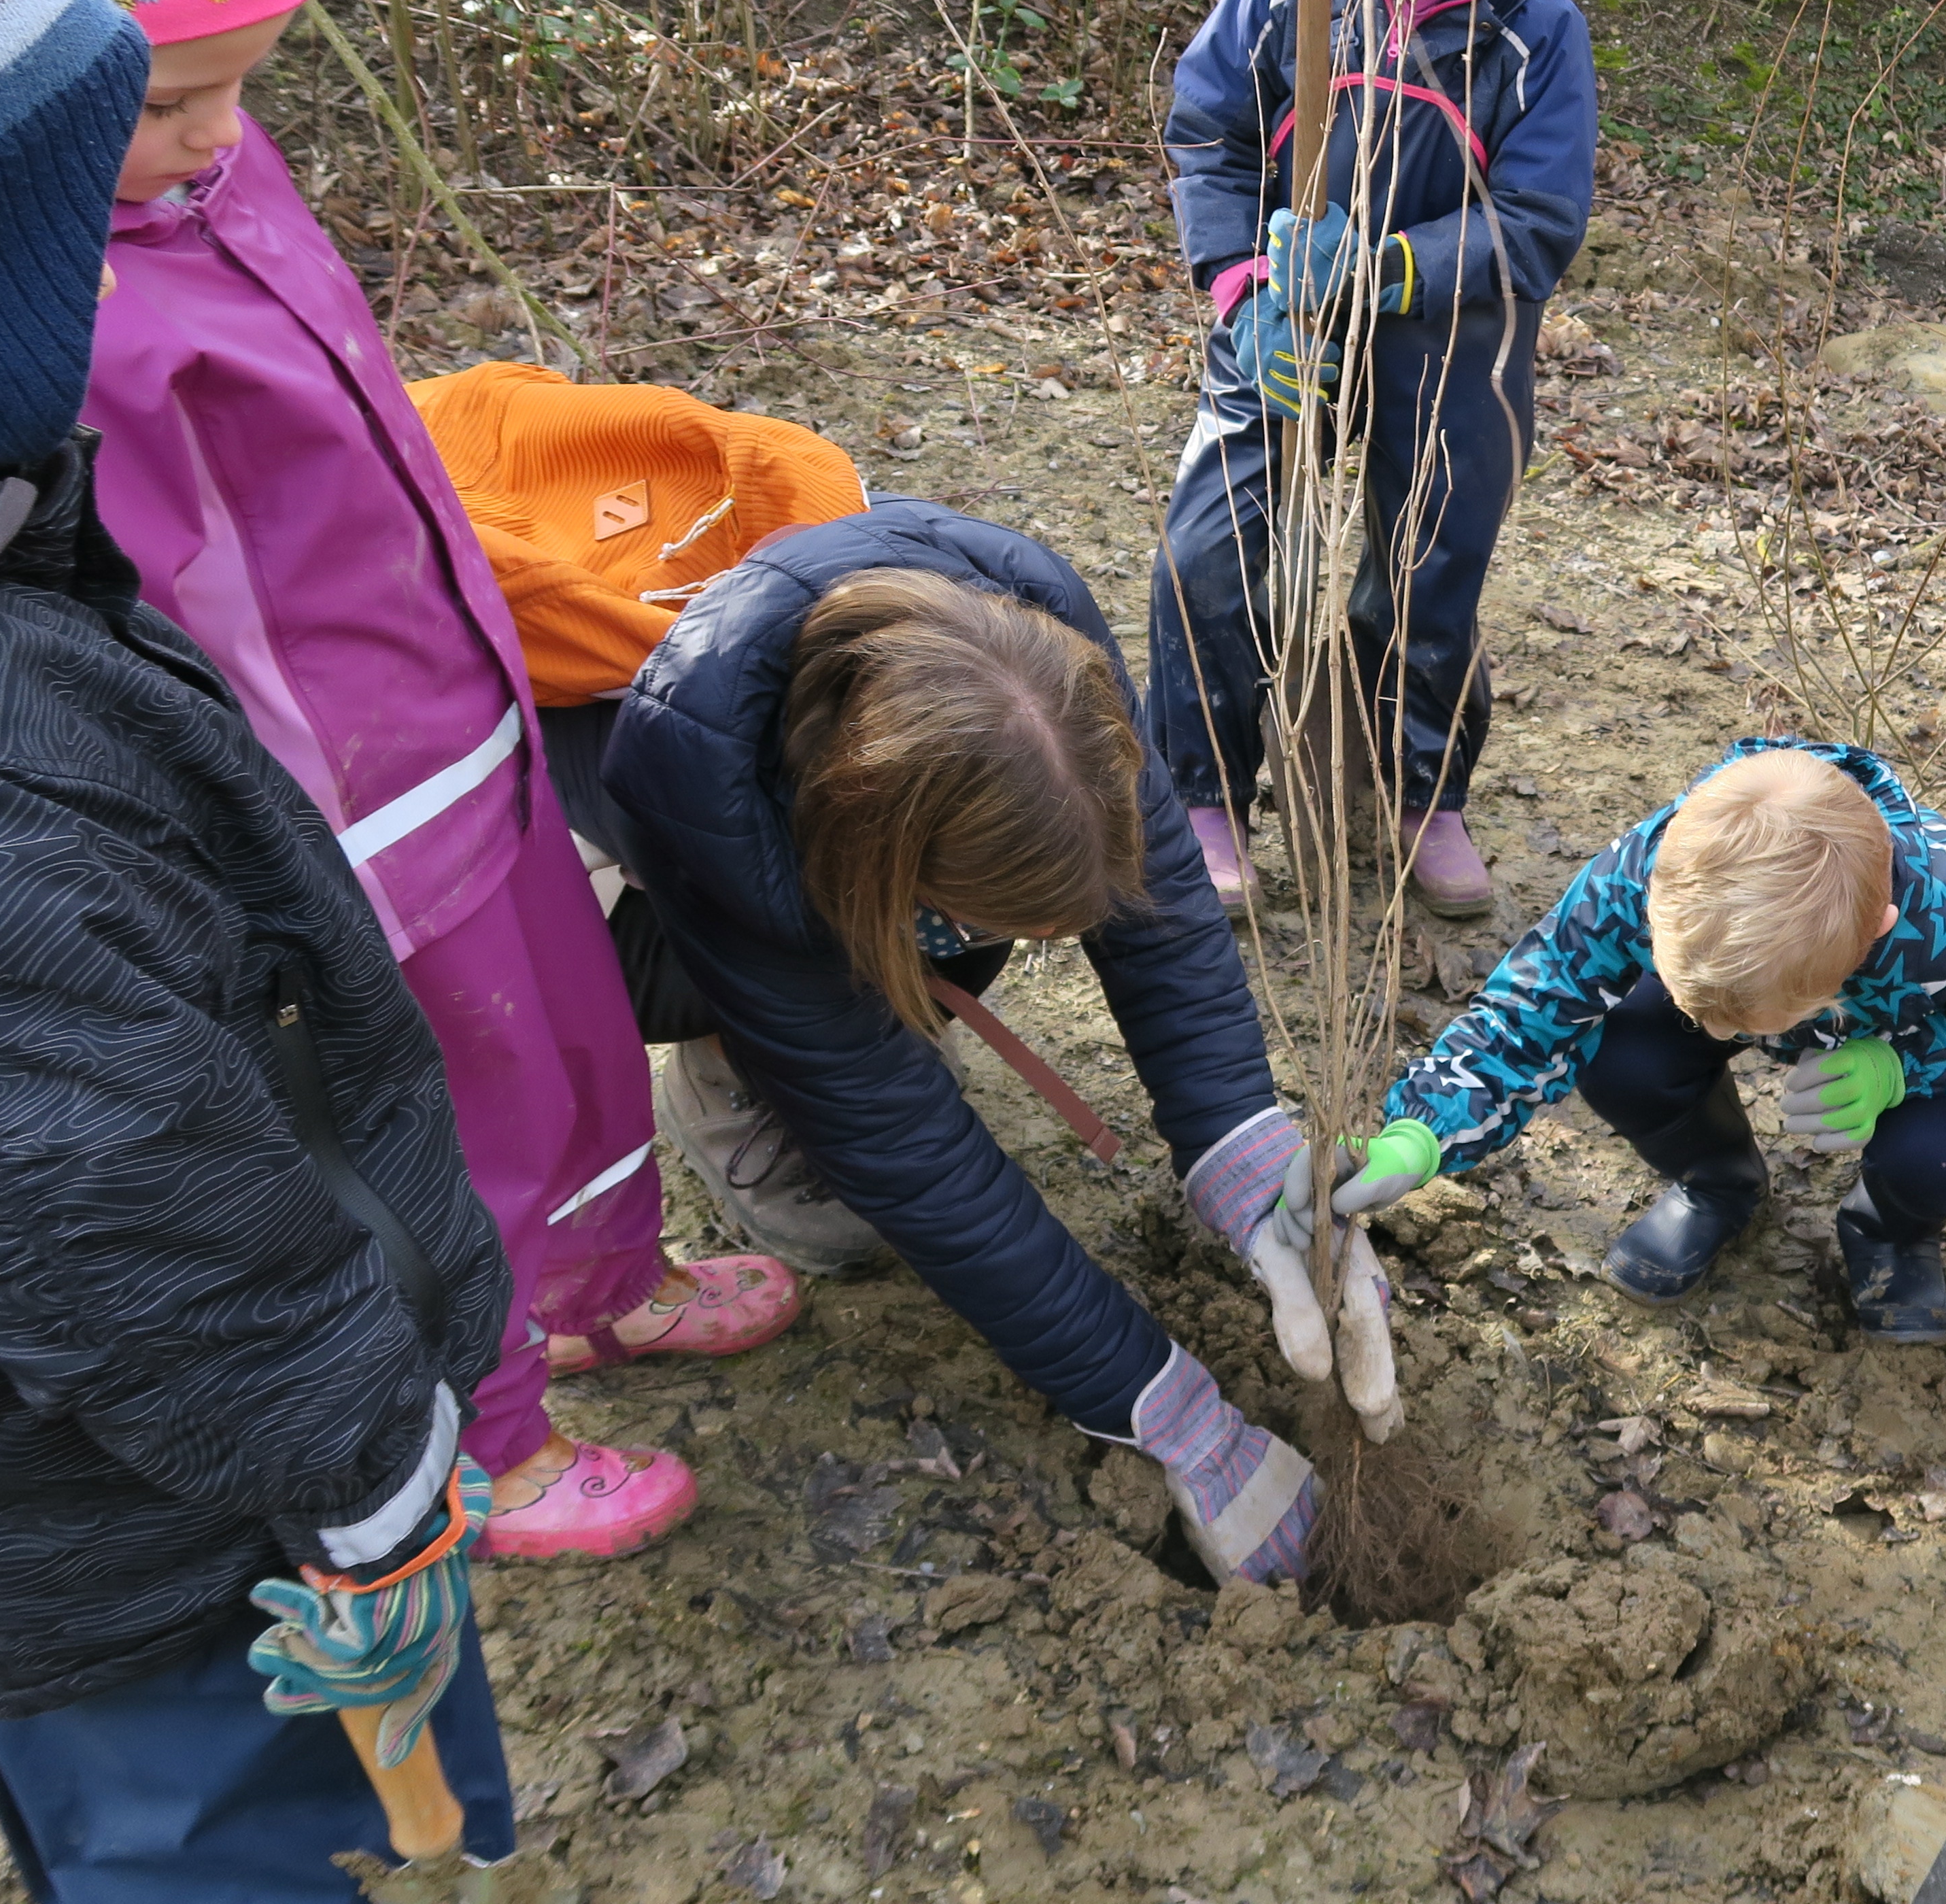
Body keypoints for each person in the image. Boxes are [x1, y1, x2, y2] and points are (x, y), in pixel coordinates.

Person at [0, 0, 796, 1564]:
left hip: (450, 706)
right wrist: (276, 833)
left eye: (244, 83)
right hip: (326, 794)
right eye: (162, 103)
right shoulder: (49, 319)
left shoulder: (218, 175)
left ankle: (607, 1282)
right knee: (434, 1098)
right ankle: (489, 1429)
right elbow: (150, 602)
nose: (216, 134)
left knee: (562, 1026)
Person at [0, 0, 513, 1899]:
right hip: (165, 1552)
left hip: (194, 1481)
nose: (102, 276)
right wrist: (366, 1471)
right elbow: (122, 1217)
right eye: (48, 239)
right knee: (232, 1850)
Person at [539, 497, 1399, 1579]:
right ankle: (735, 1062)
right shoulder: (703, 789)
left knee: (997, 905)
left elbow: (1156, 893)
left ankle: (895, 956)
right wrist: (1157, 1402)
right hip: (588, 869)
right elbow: (915, 1162)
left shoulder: (1034, 644)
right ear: (866, 858)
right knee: (627, 995)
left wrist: (1239, 1143)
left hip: (835, 838)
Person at [1149, 0, 1597, 923]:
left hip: (1456, 334)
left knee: (1434, 547)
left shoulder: (1536, 38)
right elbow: (1209, 140)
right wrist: (1245, 289)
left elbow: (1539, 221)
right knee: (1213, 535)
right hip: (1287, 319)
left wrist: (1390, 270)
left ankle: (1417, 787)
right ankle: (1200, 790)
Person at [1307, 738, 1946, 1342]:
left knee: (1941, 1154)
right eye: (1703, 1009)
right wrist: (1419, 1135)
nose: (1715, 1036)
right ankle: (1718, 1182)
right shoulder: (1657, 864)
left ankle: (1890, 1230)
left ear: (1875, 935)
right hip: (1765, 985)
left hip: (1900, 1032)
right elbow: (1534, 1004)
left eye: (1737, 1021)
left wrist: (1897, 1068)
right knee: (1623, 1054)